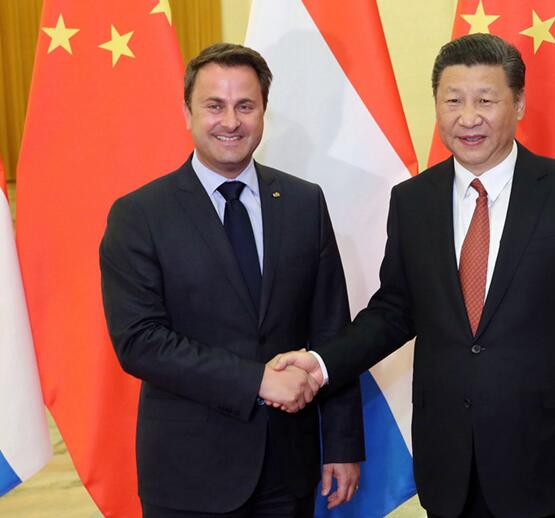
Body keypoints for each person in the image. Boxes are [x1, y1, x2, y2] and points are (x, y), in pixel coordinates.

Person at [272, 33, 555, 518]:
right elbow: (394, 311)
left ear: (519, 104)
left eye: (485, 100)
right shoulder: (414, 200)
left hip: (547, 458)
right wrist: (321, 363)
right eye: (453, 101)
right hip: (449, 463)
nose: (468, 118)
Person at [100, 43, 364, 518]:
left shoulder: (304, 203)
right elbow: (139, 341)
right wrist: (256, 380)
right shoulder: (140, 215)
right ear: (187, 113)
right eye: (214, 106)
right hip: (188, 475)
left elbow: (332, 331)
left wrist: (343, 444)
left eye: (245, 106)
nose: (230, 121)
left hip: (288, 468)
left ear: (263, 112)